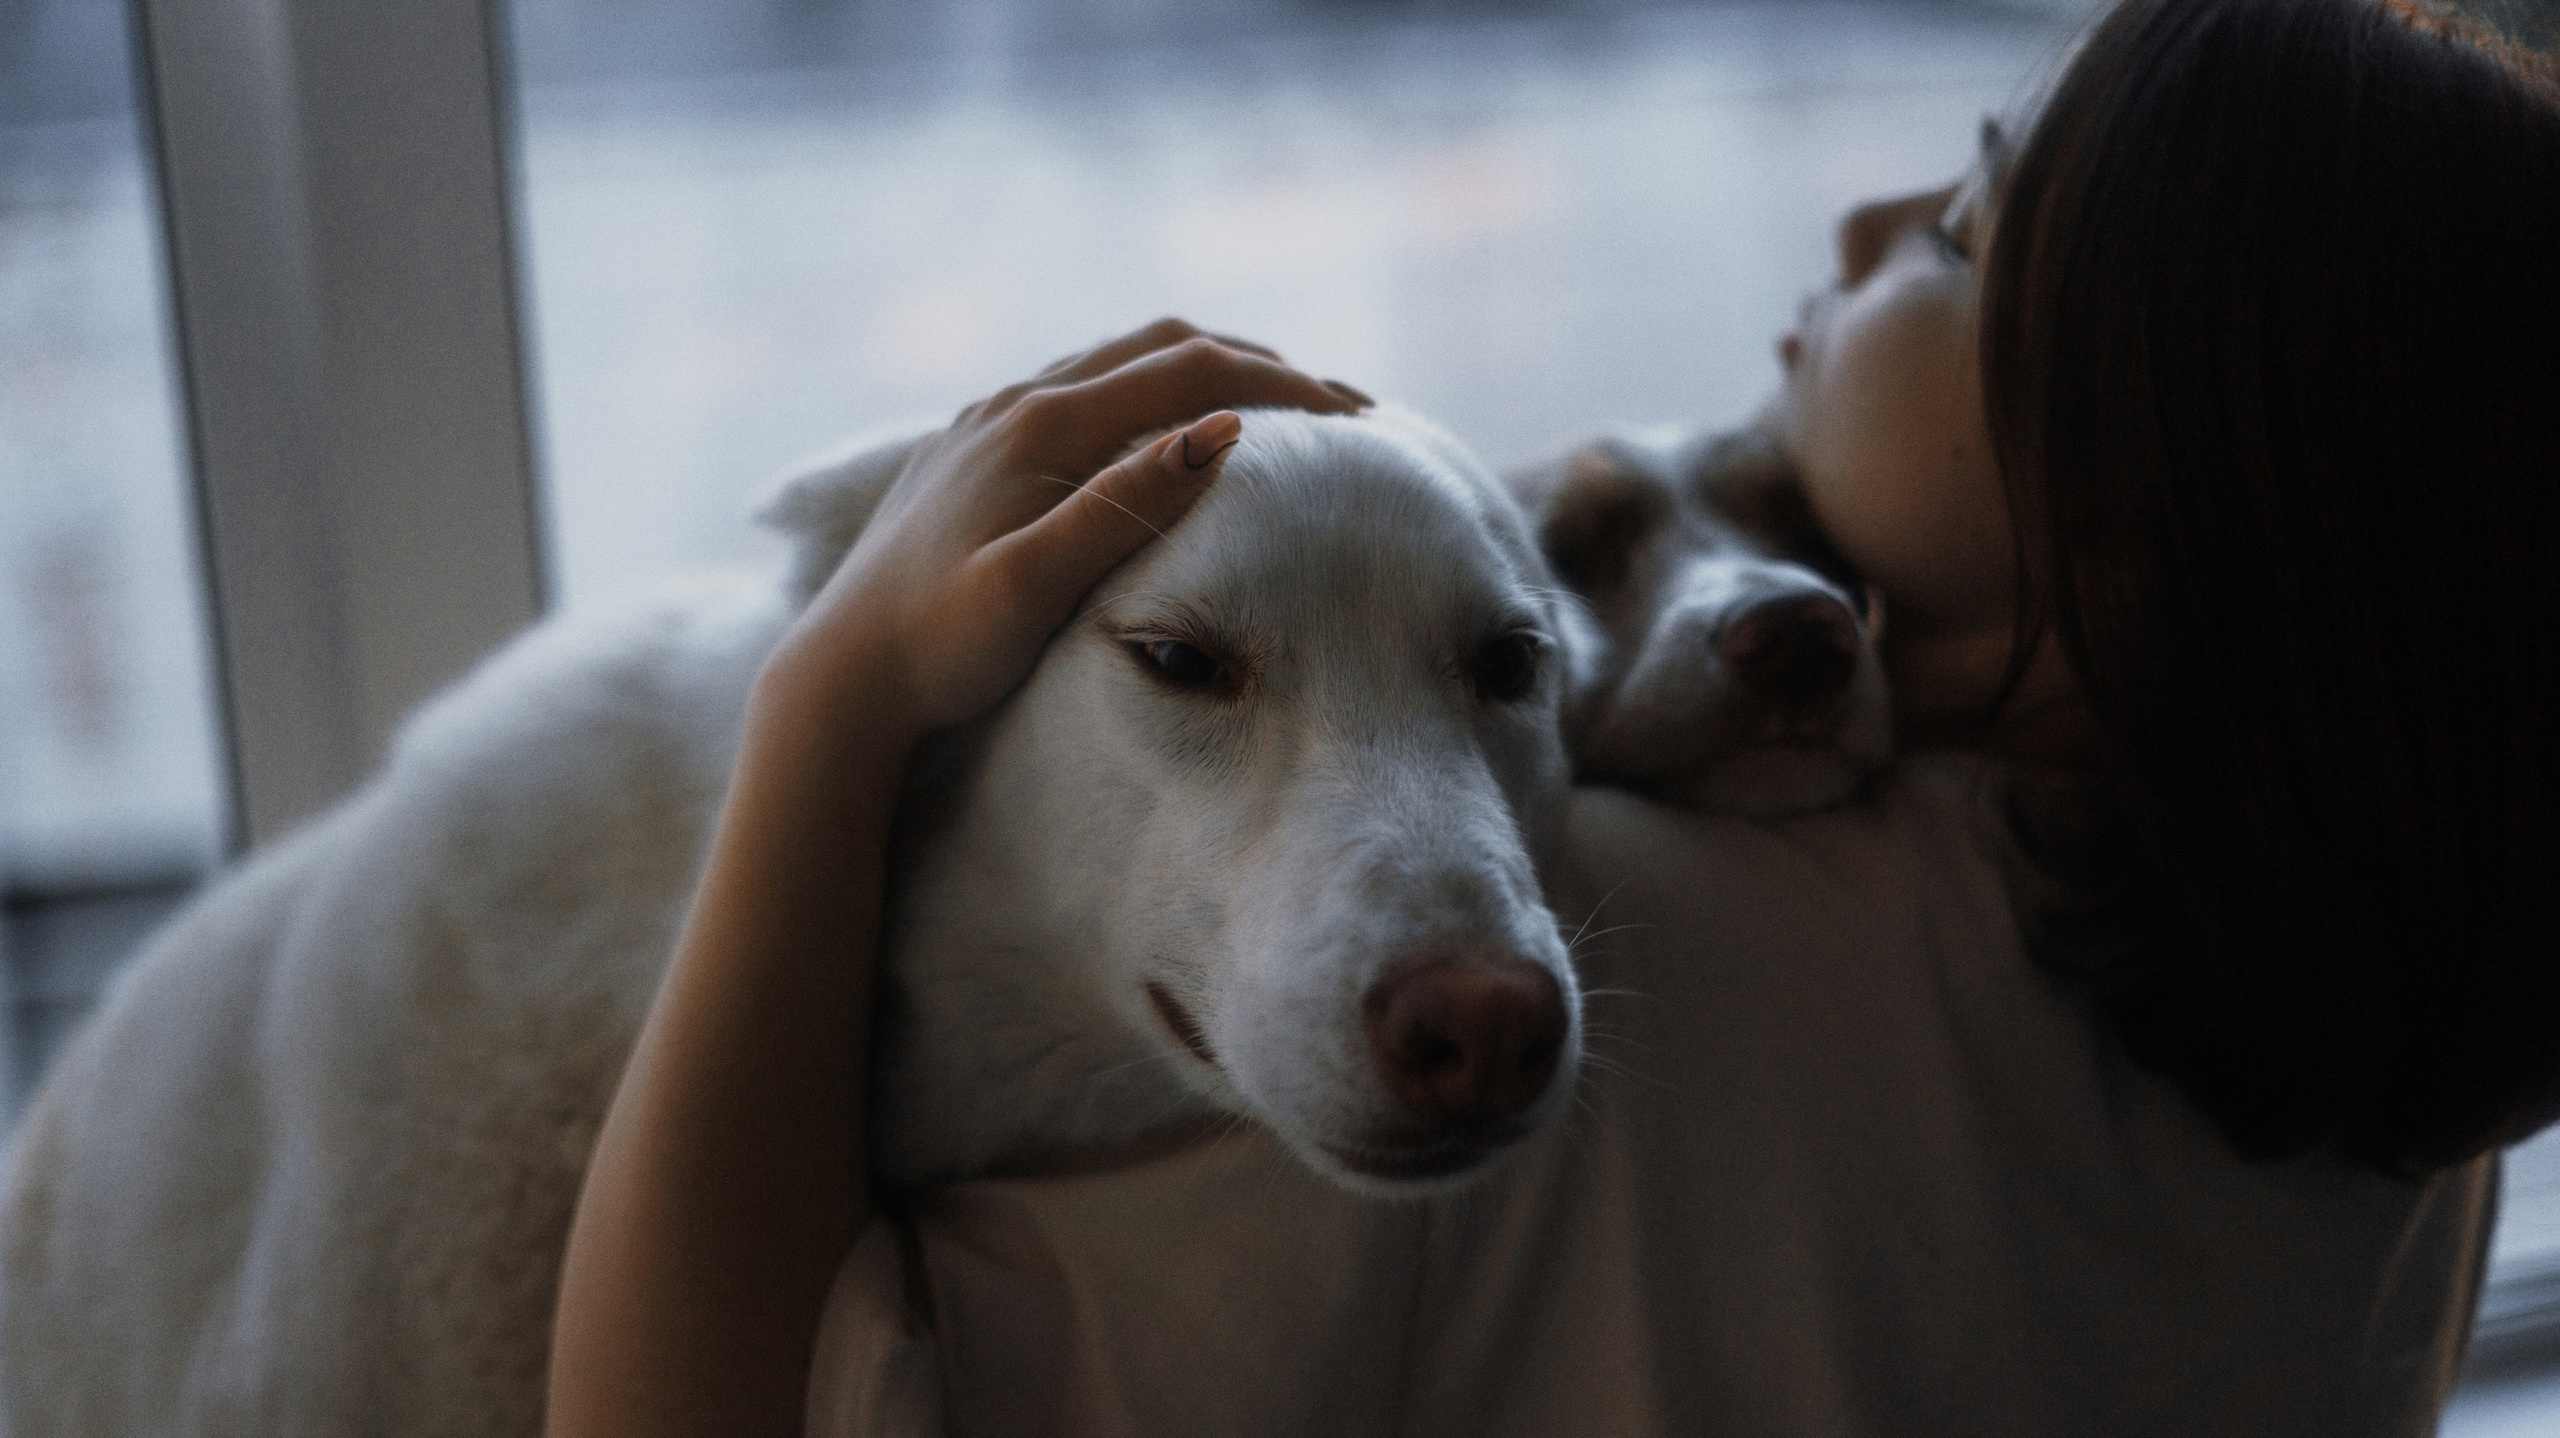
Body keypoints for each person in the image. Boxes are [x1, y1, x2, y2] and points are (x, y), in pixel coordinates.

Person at [545, 0, 2560, 1433]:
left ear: (2135, 526)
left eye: (1952, 240)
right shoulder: (2397, 1007)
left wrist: (824, 715)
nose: (1859, 225)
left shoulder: (1625, 960)